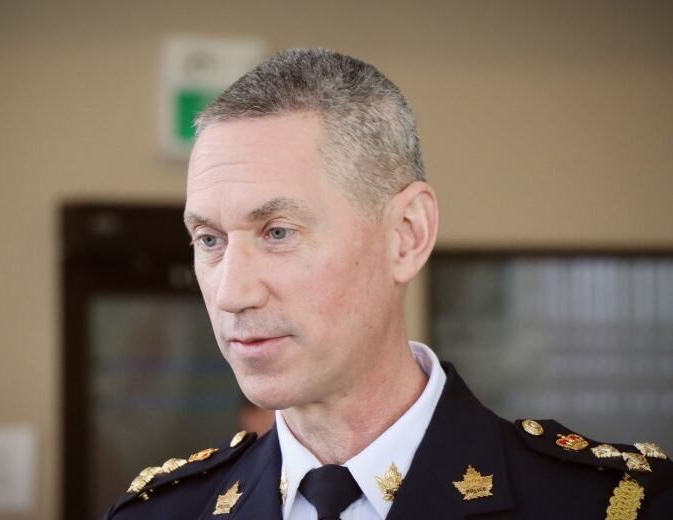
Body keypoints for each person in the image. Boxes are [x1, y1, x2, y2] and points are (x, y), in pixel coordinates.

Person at [104, 48, 672, 519]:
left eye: (277, 232)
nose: (231, 294)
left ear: (406, 235)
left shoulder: (613, 505)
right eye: (210, 240)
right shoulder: (159, 511)